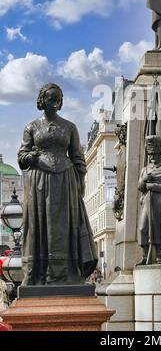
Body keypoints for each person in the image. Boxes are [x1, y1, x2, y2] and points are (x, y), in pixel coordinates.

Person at [18, 83, 98, 285]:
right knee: (40, 225)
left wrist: (80, 184)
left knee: (64, 226)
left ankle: (67, 273)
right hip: (40, 184)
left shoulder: (69, 127)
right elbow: (22, 157)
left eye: (57, 99)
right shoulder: (31, 127)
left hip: (65, 181)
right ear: (41, 101)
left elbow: (78, 158)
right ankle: (39, 273)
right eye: (50, 99)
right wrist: (32, 157)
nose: (54, 103)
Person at [137, 135, 161, 265]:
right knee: (143, 227)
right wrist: (144, 180)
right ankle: (144, 255)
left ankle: (159, 255)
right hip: (147, 201)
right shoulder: (145, 170)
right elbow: (140, 187)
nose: (152, 156)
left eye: (154, 154)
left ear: (159, 153)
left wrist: (153, 186)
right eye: (150, 154)